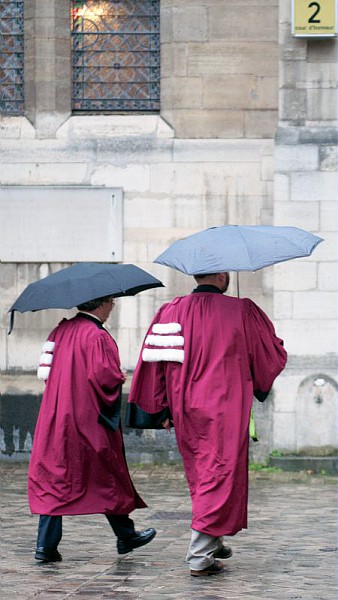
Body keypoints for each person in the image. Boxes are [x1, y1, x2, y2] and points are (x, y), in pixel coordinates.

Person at [128, 272, 287, 577]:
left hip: (185, 406)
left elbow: (155, 362)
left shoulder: (170, 311)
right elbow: (272, 354)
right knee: (219, 473)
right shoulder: (242, 310)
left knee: (205, 473)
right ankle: (200, 555)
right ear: (221, 275)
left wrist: (161, 407)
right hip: (225, 406)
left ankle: (215, 540)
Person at [28, 295, 156, 563]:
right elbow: (106, 378)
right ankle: (126, 535)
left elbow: (45, 372)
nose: (112, 308)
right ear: (101, 304)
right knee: (108, 473)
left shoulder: (60, 331)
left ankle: (45, 546)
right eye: (111, 303)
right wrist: (120, 376)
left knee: (55, 477)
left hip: (54, 415)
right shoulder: (97, 336)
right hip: (86, 418)